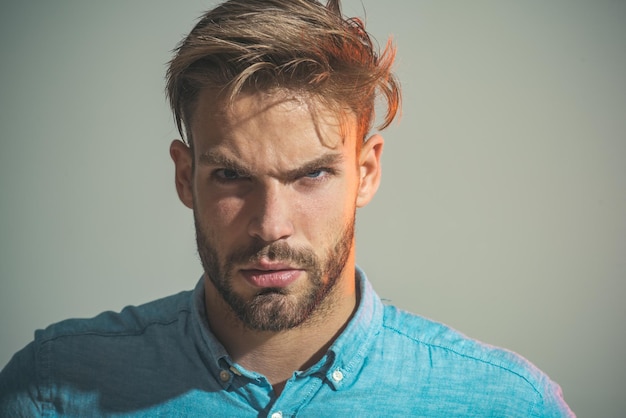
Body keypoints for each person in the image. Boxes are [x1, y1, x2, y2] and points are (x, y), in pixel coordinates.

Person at [0, 0, 574, 416]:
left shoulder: (505, 403)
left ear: (366, 172)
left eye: (312, 175)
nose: (270, 224)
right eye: (231, 176)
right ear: (184, 175)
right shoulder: (55, 389)